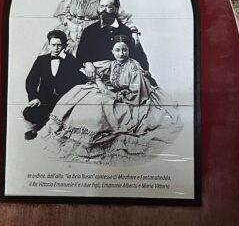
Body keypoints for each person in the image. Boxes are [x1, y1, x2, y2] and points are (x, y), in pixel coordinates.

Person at [42, 35, 181, 162]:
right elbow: (93, 68)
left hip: (134, 100)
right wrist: (100, 83)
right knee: (80, 92)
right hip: (118, 92)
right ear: (112, 51)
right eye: (117, 50)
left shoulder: (134, 68)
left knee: (102, 106)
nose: (121, 54)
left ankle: (93, 139)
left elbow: (136, 95)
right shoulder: (112, 63)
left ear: (129, 51)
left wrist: (113, 95)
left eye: (124, 50)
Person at [22, 29, 85, 140]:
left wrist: (70, 62)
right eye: (53, 45)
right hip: (44, 100)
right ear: (49, 45)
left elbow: (81, 80)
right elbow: (31, 80)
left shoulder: (71, 60)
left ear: (64, 45)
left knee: (70, 119)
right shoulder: (41, 60)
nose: (56, 48)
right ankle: (39, 127)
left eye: (59, 45)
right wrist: (34, 97)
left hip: (64, 100)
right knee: (29, 113)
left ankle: (46, 127)